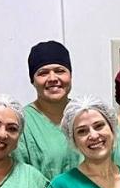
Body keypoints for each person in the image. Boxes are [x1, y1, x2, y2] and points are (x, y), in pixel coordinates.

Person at [17, 40, 80, 180]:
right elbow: (20, 178)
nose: (52, 78)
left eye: (60, 71)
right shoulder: (22, 123)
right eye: (43, 73)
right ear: (33, 80)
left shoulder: (86, 114)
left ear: (70, 76)